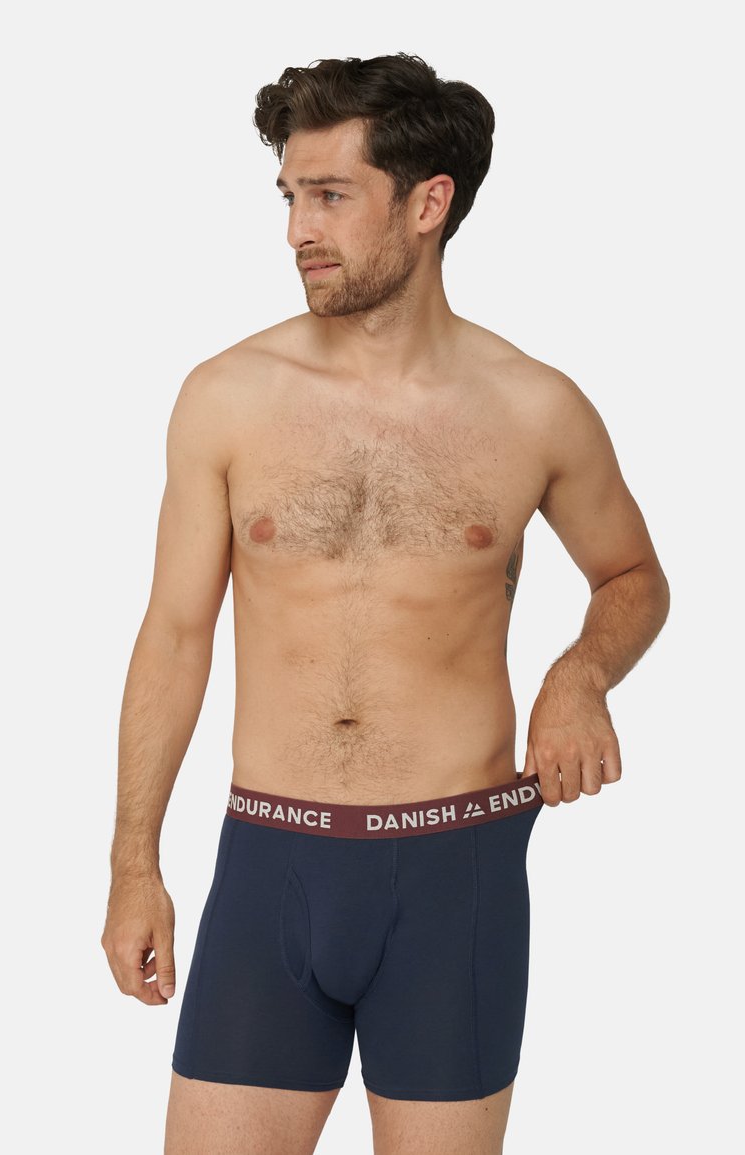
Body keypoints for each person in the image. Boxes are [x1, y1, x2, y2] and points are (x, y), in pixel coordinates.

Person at [101, 52, 670, 1155]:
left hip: (455, 879)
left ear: (426, 204)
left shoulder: (535, 408)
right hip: (269, 865)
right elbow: (173, 637)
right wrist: (134, 864)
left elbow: (632, 576)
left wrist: (581, 671)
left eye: (328, 196)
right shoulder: (226, 397)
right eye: (288, 195)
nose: (295, 230)